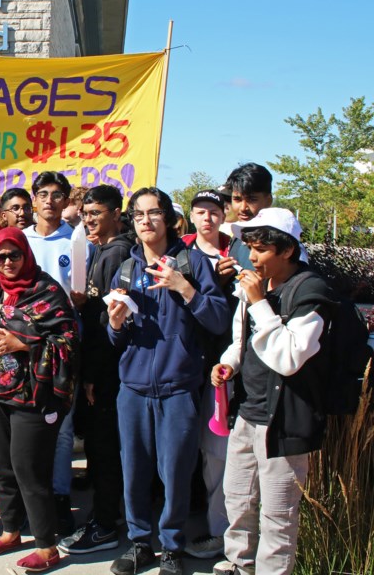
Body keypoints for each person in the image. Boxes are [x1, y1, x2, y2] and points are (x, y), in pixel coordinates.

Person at [106, 187, 231, 575]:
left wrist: (185, 288)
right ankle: (140, 543)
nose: (146, 221)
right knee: (134, 470)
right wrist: (113, 324)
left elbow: (218, 319)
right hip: (133, 389)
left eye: (154, 213)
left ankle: (172, 546)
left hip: (179, 387)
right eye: (139, 215)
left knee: (175, 472)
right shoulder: (126, 269)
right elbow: (114, 336)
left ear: (170, 219)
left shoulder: (192, 263)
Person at [210, 208, 329, 575]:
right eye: (249, 247)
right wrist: (229, 363)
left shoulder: (311, 291)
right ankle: (238, 565)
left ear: (287, 250)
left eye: (260, 249)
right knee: (238, 500)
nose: (252, 257)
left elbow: (290, 357)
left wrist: (260, 303)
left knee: (278, 517)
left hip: (284, 423)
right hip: (248, 411)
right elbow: (241, 339)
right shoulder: (255, 286)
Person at [0, 227, 77, 572]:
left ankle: (46, 547)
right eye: (1, 257)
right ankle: (11, 531)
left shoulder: (48, 291)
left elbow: (69, 343)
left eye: (14, 255)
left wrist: (24, 344)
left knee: (29, 469)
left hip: (34, 396)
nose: (8, 262)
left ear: (26, 255)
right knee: (2, 464)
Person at [58, 184, 134, 555]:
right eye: (86, 213)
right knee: (101, 447)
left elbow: (110, 322)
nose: (89, 220)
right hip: (99, 366)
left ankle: (105, 523)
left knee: (105, 448)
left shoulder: (117, 253)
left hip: (107, 370)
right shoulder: (98, 250)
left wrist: (91, 376)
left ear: (116, 214)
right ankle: (109, 514)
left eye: (97, 213)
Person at [23, 170, 87, 534]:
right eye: (43, 194)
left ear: (65, 200)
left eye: (57, 194)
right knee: (27, 424)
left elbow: (85, 291)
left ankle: (60, 496)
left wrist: (81, 301)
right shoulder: (20, 241)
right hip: (23, 345)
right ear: (34, 199)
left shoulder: (78, 241)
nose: (50, 200)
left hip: (63, 345)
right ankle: (31, 496)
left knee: (61, 426)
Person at [181, 189, 236, 560]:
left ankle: (224, 533)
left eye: (214, 212)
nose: (207, 219)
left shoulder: (241, 252)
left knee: (220, 450)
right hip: (188, 366)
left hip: (229, 366)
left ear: (223, 215)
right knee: (196, 450)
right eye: (200, 212)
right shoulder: (181, 255)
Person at [224, 163, 274, 271]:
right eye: (237, 199)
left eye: (252, 199)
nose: (243, 208)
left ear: (268, 200)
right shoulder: (237, 236)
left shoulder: (279, 241)